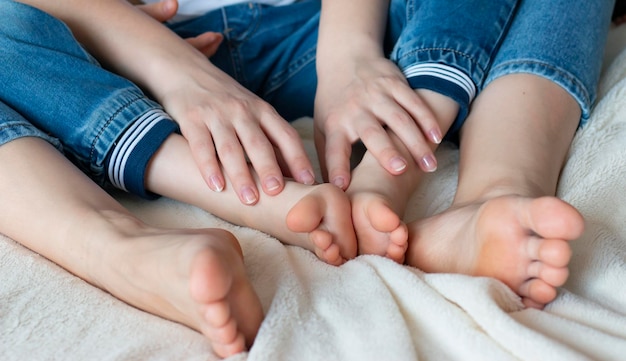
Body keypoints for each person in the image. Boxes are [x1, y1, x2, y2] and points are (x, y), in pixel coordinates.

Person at [141, 0, 612, 309]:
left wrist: (347, 53)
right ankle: (388, 175)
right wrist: (148, 58)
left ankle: (494, 194)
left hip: (324, 21)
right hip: (148, 56)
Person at [0, 0, 360, 357]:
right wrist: (153, 53)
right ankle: (126, 244)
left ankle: (241, 192)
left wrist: (347, 58)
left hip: (315, 28)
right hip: (104, 39)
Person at [313, 0, 614, 309]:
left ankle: (493, 195)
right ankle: (388, 163)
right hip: (310, 49)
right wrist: (342, 59)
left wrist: (350, 51)